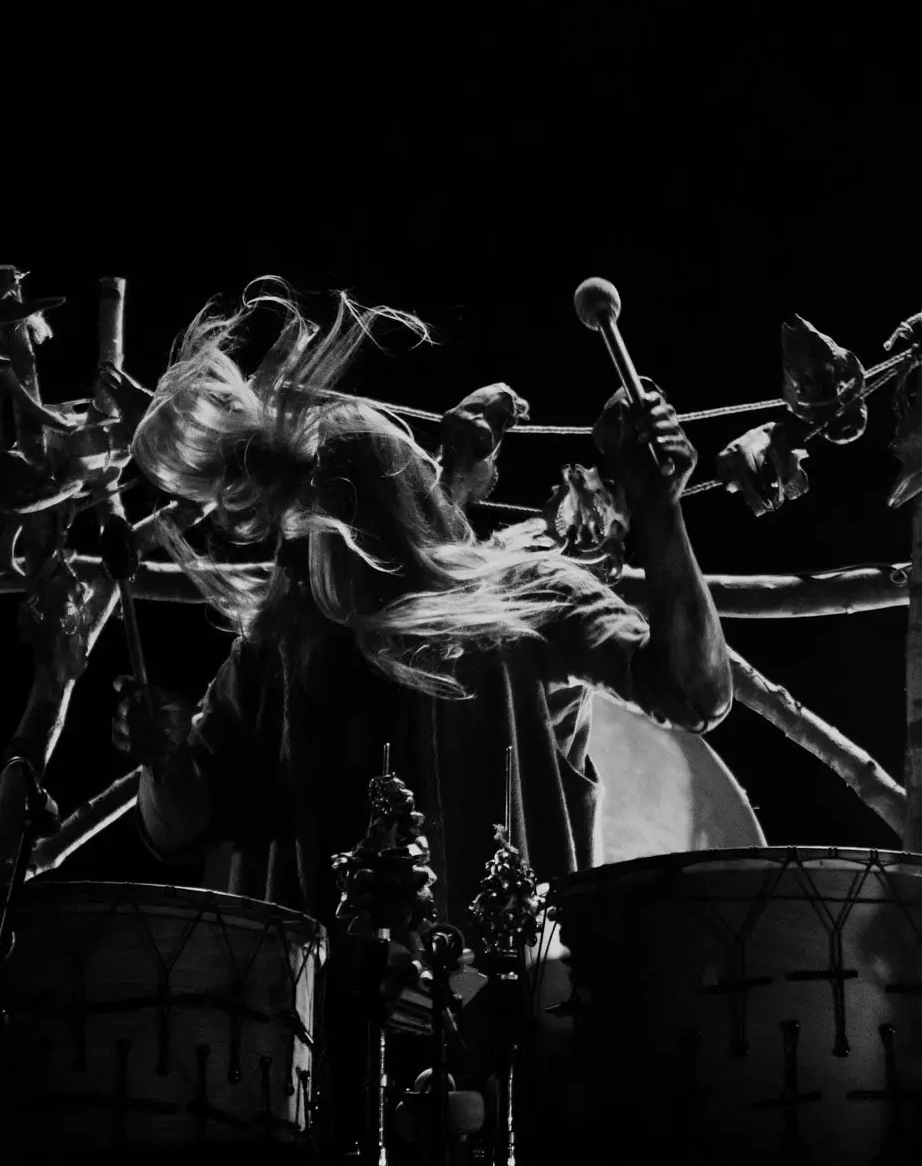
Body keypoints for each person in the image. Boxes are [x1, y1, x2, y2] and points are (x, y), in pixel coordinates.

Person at [112, 285, 732, 930]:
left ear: (400, 524)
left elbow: (695, 695)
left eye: (333, 531)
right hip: (320, 991)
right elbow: (178, 832)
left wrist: (660, 508)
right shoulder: (273, 652)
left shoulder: (528, 599)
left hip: (508, 984)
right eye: (302, 538)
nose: (304, 562)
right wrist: (163, 756)